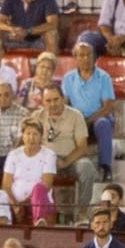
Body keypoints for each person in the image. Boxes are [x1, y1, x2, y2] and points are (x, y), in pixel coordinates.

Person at [33, 85, 94, 222]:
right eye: (48, 101)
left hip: (70, 160)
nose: (53, 104)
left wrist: (65, 161)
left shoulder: (75, 115)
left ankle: (82, 213)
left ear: (63, 99)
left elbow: (82, 147)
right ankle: (40, 216)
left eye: (56, 99)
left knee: (87, 167)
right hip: (45, 162)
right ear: (42, 101)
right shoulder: (37, 117)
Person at [62, 42, 115, 179]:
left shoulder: (104, 77)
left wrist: (87, 121)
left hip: (97, 118)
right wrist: (76, 121)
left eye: (88, 55)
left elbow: (107, 107)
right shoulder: (68, 78)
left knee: (103, 123)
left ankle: (105, 168)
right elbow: (64, 104)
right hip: (76, 120)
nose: (85, 58)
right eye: (81, 55)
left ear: (94, 56)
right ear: (76, 58)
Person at [1, 119, 56, 225]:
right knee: (0, 196)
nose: (31, 138)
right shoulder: (14, 154)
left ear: (41, 137)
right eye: (28, 133)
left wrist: (26, 202)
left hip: (39, 202)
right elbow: (6, 185)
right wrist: (16, 205)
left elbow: (47, 184)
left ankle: (39, 222)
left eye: (35, 134)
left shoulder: (49, 155)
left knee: (39, 188)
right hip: (15, 203)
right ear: (23, 135)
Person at [0, 80, 29, 157]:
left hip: (15, 157)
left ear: (12, 95)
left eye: (6, 95)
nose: (3, 99)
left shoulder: (23, 114)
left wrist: (12, 157)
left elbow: (23, 141)